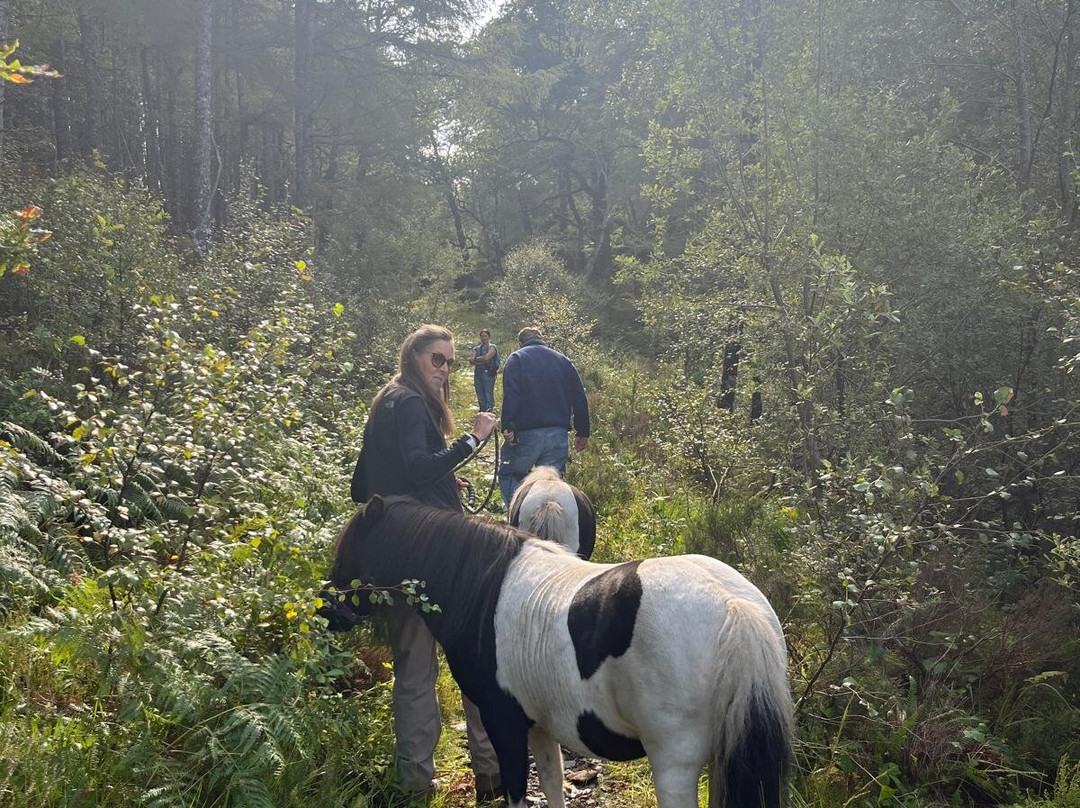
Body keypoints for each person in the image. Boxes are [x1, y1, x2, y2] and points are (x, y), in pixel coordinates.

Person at [354, 324, 502, 804]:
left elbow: (364, 486)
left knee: (413, 670)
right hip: (437, 556)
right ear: (412, 355)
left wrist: (440, 486)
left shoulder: (386, 401)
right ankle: (492, 773)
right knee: (472, 659)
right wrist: (473, 441)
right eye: (436, 359)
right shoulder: (415, 403)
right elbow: (418, 467)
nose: (444, 370)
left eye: (450, 362)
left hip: (394, 554)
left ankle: (416, 784)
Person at [498, 326, 590, 506]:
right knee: (551, 485)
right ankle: (548, 526)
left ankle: (516, 519)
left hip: (527, 434)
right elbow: (579, 397)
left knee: (510, 474)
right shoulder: (563, 361)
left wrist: (508, 426)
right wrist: (583, 432)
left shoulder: (517, 359)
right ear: (542, 339)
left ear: (521, 342)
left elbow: (512, 394)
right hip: (558, 435)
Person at [469, 329, 498, 412]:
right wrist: (480, 360)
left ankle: (490, 411)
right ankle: (482, 411)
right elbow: (471, 360)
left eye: (485, 336)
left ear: (489, 337)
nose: (483, 338)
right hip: (478, 373)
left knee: (488, 393)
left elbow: (487, 357)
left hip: (488, 373)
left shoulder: (492, 347)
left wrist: (476, 359)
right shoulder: (476, 348)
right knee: (480, 394)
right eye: (482, 336)